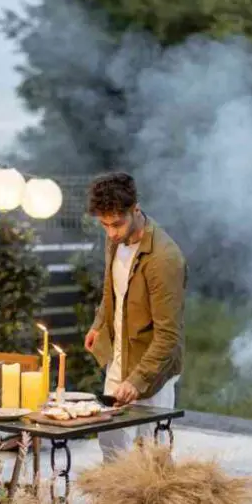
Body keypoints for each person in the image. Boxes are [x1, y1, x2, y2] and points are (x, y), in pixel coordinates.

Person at [83, 172, 187, 461]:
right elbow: (112, 289)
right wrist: (99, 323)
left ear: (135, 210)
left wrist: (137, 380)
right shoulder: (115, 240)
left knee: (151, 451)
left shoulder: (164, 259)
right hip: (119, 355)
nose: (111, 233)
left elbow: (169, 336)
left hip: (152, 366)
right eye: (104, 225)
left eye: (116, 224)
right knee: (110, 442)